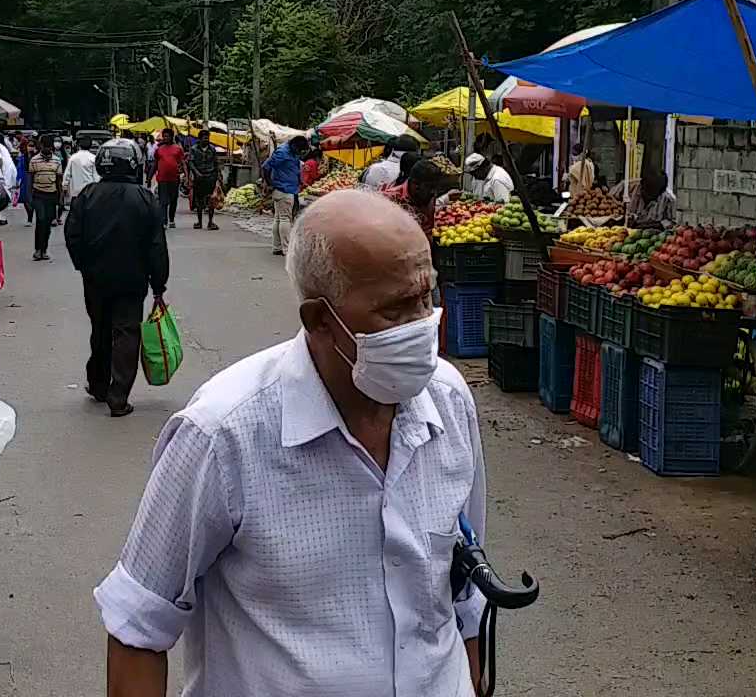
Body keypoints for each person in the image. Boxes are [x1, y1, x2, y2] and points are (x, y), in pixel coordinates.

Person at [95, 190, 487, 696]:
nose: (422, 326)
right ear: (320, 321)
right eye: (395, 311)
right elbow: (138, 627)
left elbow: (463, 590)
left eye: (427, 298)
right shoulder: (223, 434)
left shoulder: (450, 402)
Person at [65, 140, 170, 418]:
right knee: (126, 332)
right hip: (132, 280)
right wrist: (159, 284)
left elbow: (72, 235)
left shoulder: (86, 196)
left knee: (99, 328)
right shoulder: (146, 198)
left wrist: (83, 265)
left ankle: (98, 385)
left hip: (95, 279)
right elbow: (157, 246)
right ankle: (118, 396)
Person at [262, 136, 306, 257]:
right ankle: (286, 249)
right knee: (285, 219)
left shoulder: (291, 152)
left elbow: (294, 168)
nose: (300, 153)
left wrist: (300, 181)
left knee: (278, 218)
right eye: (300, 150)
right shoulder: (282, 152)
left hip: (287, 188)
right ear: (295, 146)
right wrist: (269, 183)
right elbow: (266, 167)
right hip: (284, 189)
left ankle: (277, 247)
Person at [26, 134, 65, 261]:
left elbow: (59, 181)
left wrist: (61, 198)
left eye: (49, 146)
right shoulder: (34, 160)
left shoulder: (57, 160)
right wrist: (29, 198)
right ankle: (37, 250)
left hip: (51, 194)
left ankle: (44, 249)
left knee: (48, 223)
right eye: (45, 146)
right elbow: (30, 180)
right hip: (38, 194)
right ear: (41, 146)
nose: (47, 149)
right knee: (41, 219)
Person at [384, 156, 445, 235]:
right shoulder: (390, 199)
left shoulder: (428, 197)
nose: (434, 192)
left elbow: (428, 230)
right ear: (416, 185)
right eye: (431, 187)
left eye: (436, 188)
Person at [610, 165, 677, 228]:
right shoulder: (625, 187)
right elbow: (607, 201)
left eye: (653, 194)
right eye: (646, 191)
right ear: (641, 184)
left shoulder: (668, 200)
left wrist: (651, 225)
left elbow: (672, 223)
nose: (648, 196)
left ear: (661, 192)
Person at [151, 127, 185, 229]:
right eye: (164, 136)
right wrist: (149, 177)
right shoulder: (159, 150)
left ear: (171, 137)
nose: (166, 138)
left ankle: (171, 219)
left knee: (173, 200)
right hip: (162, 179)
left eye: (168, 136)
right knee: (163, 201)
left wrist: (187, 176)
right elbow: (155, 164)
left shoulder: (178, 149)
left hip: (174, 179)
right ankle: (164, 221)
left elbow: (182, 163)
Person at [186, 134, 221, 231]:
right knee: (199, 200)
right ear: (200, 139)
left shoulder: (212, 149)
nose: (206, 140)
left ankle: (210, 222)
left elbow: (216, 163)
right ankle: (199, 222)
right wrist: (196, 173)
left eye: (207, 138)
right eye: (204, 138)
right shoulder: (194, 149)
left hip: (210, 177)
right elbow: (191, 162)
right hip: (199, 178)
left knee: (211, 199)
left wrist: (217, 176)